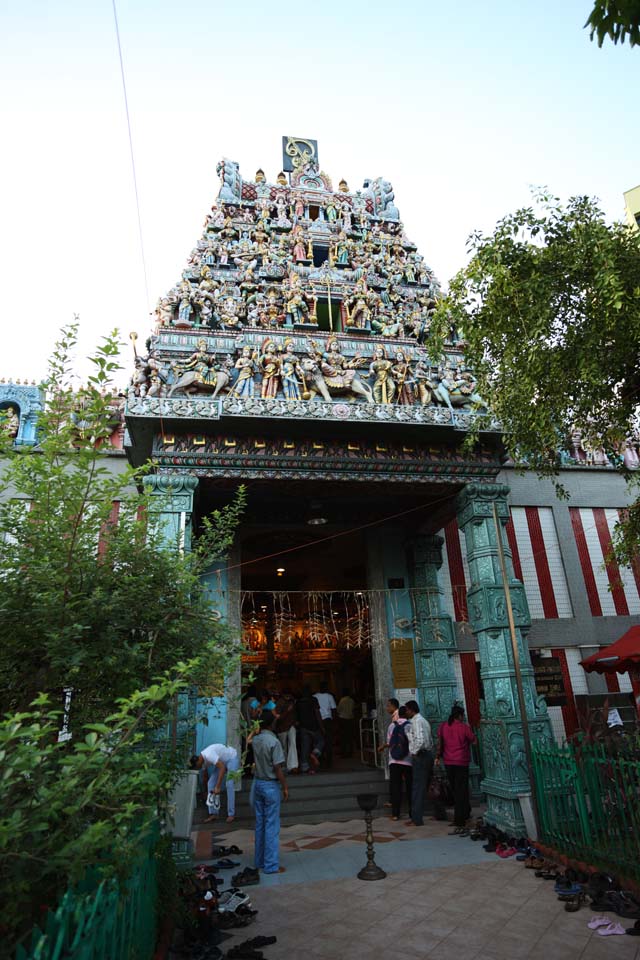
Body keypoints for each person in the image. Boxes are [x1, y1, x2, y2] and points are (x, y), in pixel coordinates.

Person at [252, 710, 288, 874]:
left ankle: (259, 861)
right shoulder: (273, 741)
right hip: (270, 785)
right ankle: (271, 865)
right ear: (271, 723)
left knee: (260, 824)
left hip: (258, 783)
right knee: (272, 826)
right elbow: (277, 768)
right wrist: (285, 786)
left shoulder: (256, 740)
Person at [436, 705, 477, 833]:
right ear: (460, 715)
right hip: (461, 762)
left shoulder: (444, 726)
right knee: (461, 789)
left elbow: (440, 742)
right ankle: (460, 817)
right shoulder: (464, 728)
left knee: (455, 789)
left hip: (448, 761)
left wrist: (438, 756)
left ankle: (465, 812)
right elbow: (474, 741)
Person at [378, 698, 412, 821]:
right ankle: (412, 813)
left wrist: (383, 747)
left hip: (394, 760)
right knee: (410, 787)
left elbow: (389, 742)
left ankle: (395, 814)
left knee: (395, 786)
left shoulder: (392, 725)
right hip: (408, 760)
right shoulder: (410, 725)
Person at [190, 742, 241, 823]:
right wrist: (207, 792)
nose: (197, 768)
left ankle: (231, 814)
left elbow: (222, 768)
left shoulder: (208, 755)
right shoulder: (202, 761)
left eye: (196, 766)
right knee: (210, 783)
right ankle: (213, 813)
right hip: (222, 762)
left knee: (229, 784)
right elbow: (205, 777)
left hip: (232, 758)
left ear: (198, 760)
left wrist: (217, 787)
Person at [404, 700, 433, 827]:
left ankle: (416, 818)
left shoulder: (416, 721)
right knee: (423, 786)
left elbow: (420, 740)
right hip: (426, 755)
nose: (406, 712)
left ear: (411, 710)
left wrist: (414, 752)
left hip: (421, 755)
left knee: (418, 788)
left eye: (407, 710)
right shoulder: (423, 721)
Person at [296, 685, 324, 774]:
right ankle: (314, 754)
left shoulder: (298, 702)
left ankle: (305, 767)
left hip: (303, 727)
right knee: (321, 741)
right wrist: (322, 726)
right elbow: (317, 713)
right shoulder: (313, 700)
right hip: (314, 726)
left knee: (305, 747)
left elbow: (297, 716)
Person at [275, 689, 299, 773]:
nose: (289, 697)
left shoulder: (292, 702)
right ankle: (284, 765)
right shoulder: (280, 703)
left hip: (291, 726)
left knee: (292, 744)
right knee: (283, 747)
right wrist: (287, 711)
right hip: (282, 727)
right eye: (287, 695)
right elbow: (278, 718)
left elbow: (295, 713)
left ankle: (293, 765)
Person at [314, 681, 337, 768]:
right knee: (328, 741)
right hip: (327, 720)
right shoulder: (329, 696)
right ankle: (329, 761)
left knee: (319, 741)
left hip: (318, 721)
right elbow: (334, 710)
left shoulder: (314, 696)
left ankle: (321, 759)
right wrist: (334, 723)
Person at [337, 688, 356, 757]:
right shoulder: (352, 700)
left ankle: (343, 751)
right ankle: (350, 751)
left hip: (343, 719)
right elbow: (353, 709)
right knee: (350, 735)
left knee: (343, 736)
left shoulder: (342, 700)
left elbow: (338, 710)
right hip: (350, 718)